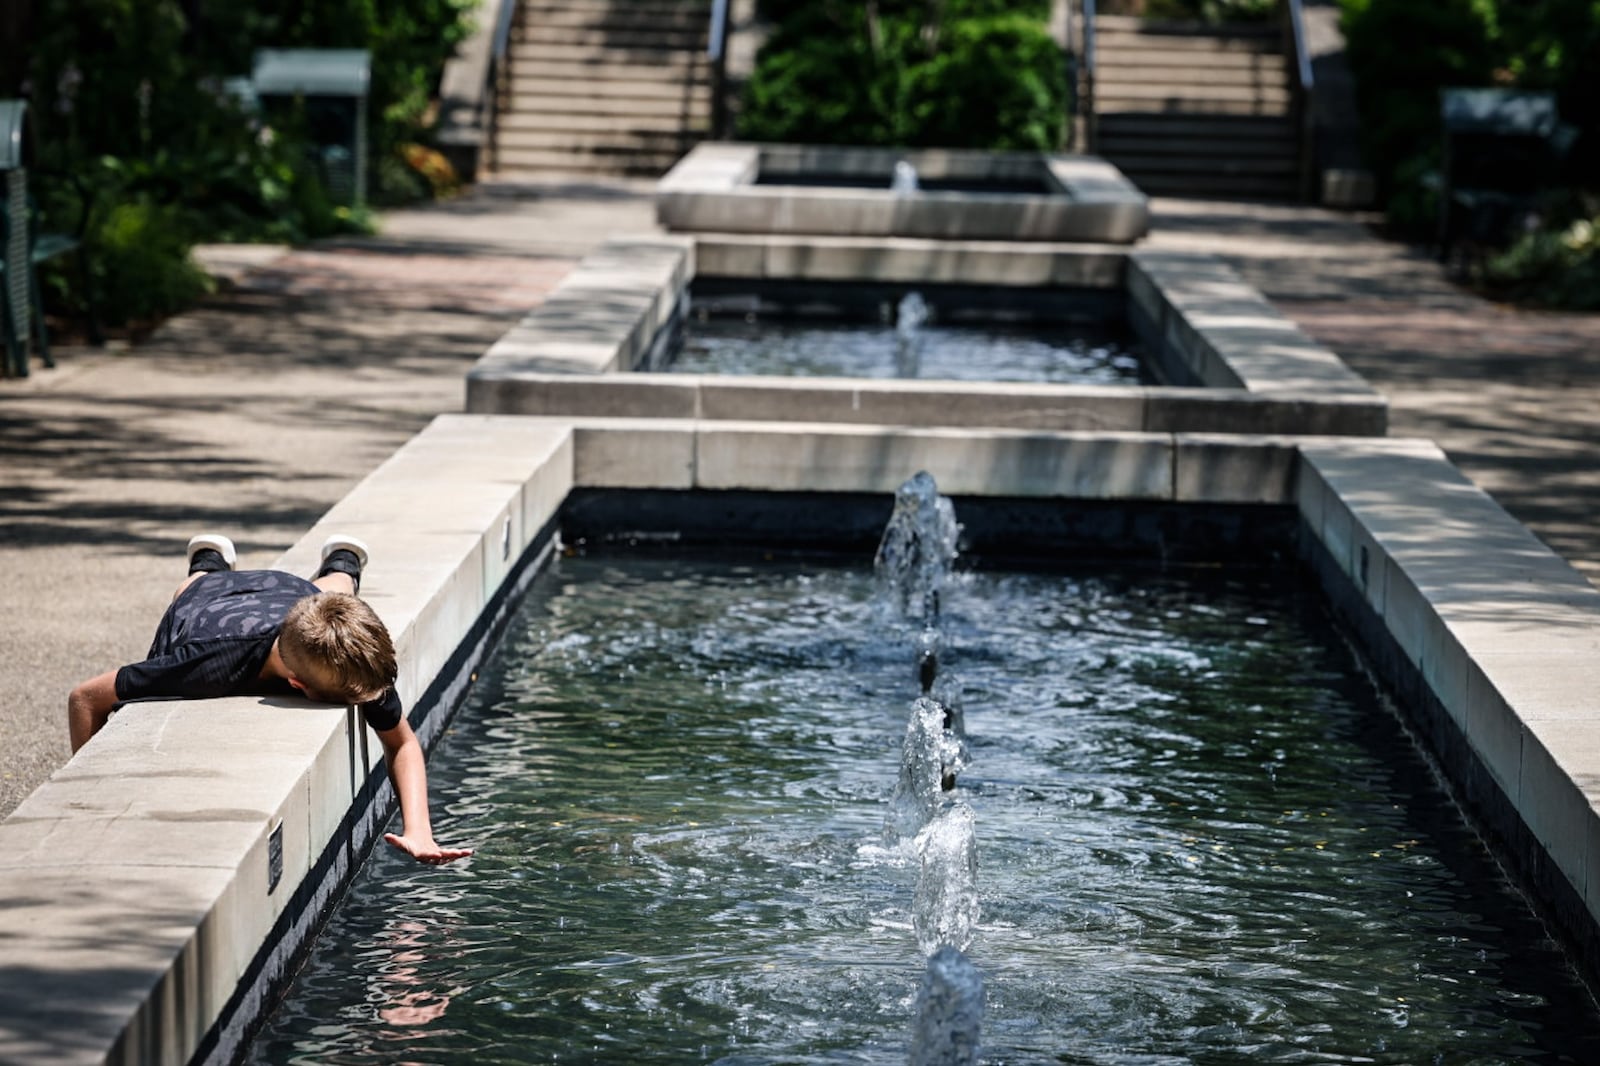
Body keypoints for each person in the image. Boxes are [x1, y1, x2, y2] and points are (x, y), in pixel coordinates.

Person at [66, 533, 473, 866]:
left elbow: (401, 743)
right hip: (210, 602)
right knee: (191, 588)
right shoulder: (205, 663)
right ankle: (208, 560)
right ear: (299, 686)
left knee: (330, 595)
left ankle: (342, 563)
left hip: (296, 596)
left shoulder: (350, 667)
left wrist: (419, 829)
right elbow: (85, 697)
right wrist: (87, 806)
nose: (369, 703)